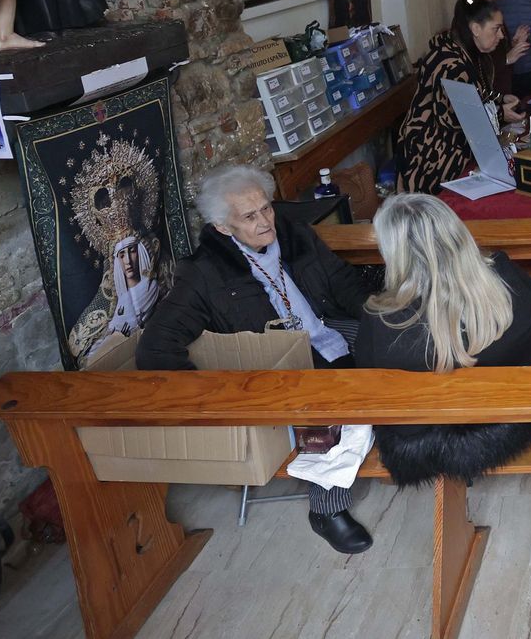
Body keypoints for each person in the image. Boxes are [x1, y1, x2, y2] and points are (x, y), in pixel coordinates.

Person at [137, 165, 377, 554]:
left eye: (266, 209)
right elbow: (156, 348)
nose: (266, 222)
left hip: (324, 329)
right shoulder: (205, 273)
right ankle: (326, 510)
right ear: (223, 227)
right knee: (332, 405)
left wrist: (379, 318)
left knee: (398, 350)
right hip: (281, 364)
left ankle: (412, 441)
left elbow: (342, 283)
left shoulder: (295, 235)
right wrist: (217, 399)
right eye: (249, 217)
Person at [356, 194, 531, 484]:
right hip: (518, 419)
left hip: (431, 442)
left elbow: (373, 378)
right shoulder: (507, 276)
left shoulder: (381, 322)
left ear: (393, 255)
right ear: (457, 232)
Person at [396, 0, 524, 192]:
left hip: (455, 148)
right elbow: (462, 115)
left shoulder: (467, 53)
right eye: (496, 29)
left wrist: (500, 99)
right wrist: (500, 113)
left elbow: (478, 95)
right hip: (432, 156)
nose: (501, 36)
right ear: (475, 29)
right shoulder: (449, 63)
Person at [458, 0, 529, 93]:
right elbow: (475, 64)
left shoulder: (491, 7)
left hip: (503, 93)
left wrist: (512, 44)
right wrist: (507, 59)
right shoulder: (474, 15)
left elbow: (495, 48)